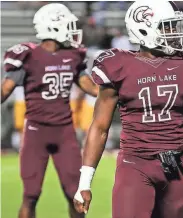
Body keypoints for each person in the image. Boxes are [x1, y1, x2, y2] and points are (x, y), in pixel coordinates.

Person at [74, 1, 183, 218]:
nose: (174, 32)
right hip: (135, 165)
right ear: (144, 28)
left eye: (174, 25)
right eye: (167, 26)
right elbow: (100, 127)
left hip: (177, 165)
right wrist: (85, 182)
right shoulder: (118, 65)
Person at [1, 3, 98, 218]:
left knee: (75, 194)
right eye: (67, 24)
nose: (73, 30)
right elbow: (5, 89)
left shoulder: (73, 55)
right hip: (36, 131)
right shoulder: (28, 55)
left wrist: (117, 94)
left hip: (65, 132)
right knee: (31, 195)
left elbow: (88, 85)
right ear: (52, 27)